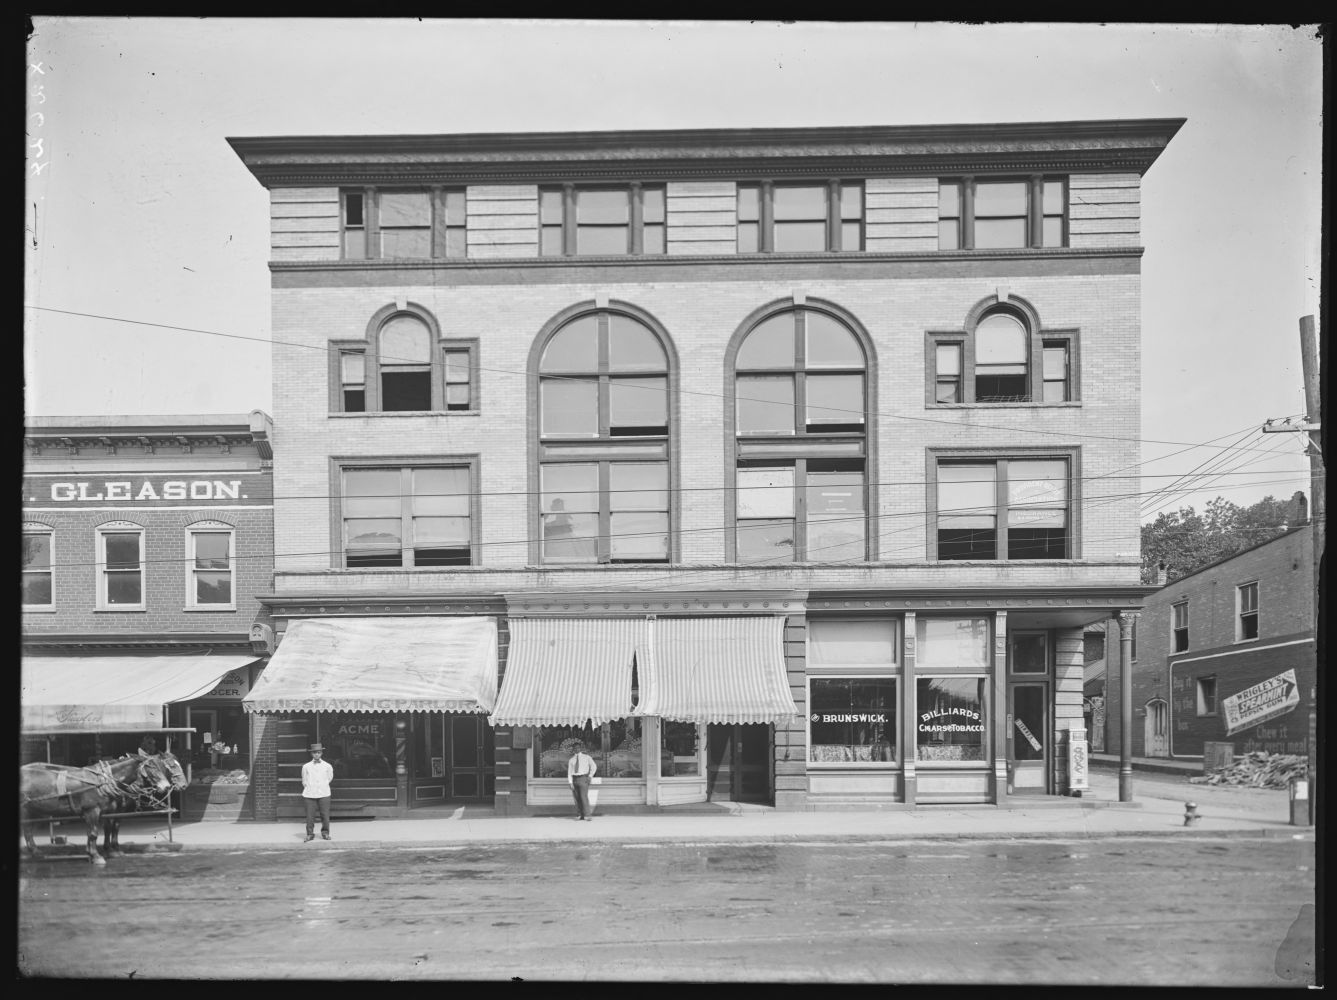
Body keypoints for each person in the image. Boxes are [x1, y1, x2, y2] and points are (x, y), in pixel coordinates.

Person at [301, 742, 335, 842]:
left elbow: (329, 778)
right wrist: (309, 787)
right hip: (310, 794)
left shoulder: (327, 766)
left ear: (321, 753)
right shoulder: (306, 766)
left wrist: (323, 785)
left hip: (324, 793)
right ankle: (310, 834)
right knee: (310, 816)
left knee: (325, 815)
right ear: (311, 754)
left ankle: (325, 833)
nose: (317, 754)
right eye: (314, 752)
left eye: (319, 752)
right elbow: (304, 780)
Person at [567, 740, 597, 821]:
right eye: (575, 748)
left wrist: (590, 776)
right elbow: (569, 772)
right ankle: (580, 815)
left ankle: (587, 815)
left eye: (578, 747)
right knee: (577, 798)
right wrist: (570, 782)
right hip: (574, 779)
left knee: (583, 797)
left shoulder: (586, 757)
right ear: (573, 749)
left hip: (583, 778)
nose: (576, 749)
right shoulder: (571, 760)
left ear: (580, 748)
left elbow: (594, 766)